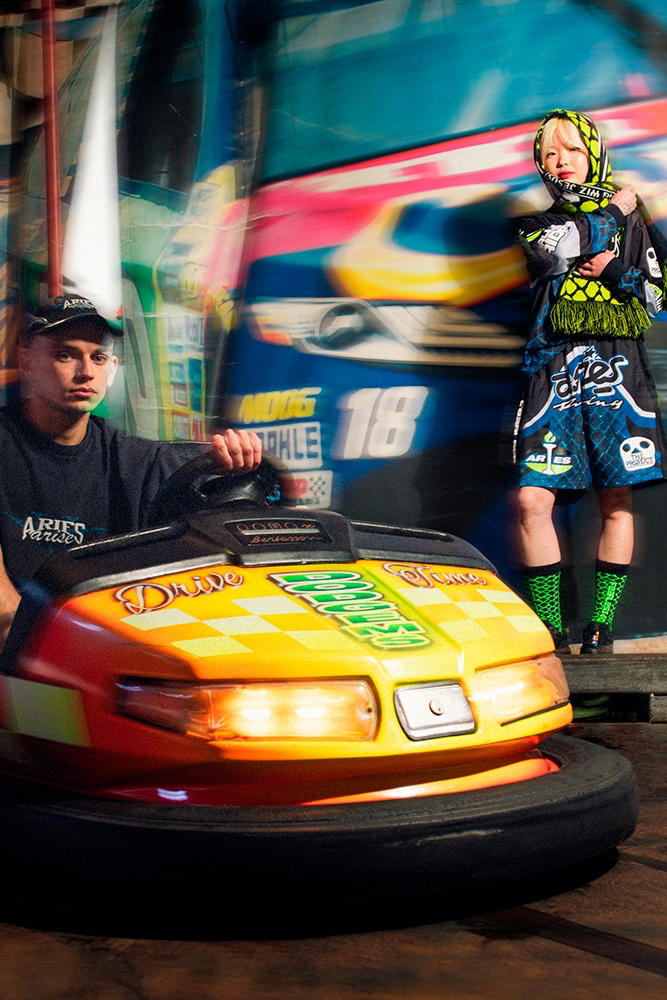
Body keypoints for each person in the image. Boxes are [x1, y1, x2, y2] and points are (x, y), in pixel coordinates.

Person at [0, 294, 262, 650]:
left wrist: (236, 464)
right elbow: (4, 610)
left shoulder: (138, 461)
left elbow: (218, 535)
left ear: (111, 369)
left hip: (110, 645)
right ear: (27, 362)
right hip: (23, 654)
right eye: (65, 355)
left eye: (98, 358)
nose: (86, 372)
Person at [514, 109, 667, 654]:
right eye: (550, 153)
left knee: (616, 499)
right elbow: (560, 249)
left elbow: (659, 298)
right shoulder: (536, 224)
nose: (562, 161)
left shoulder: (635, 221)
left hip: (618, 366)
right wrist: (614, 211)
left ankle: (600, 627)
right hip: (553, 367)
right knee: (532, 501)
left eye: (573, 150)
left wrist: (615, 271)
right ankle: (550, 629)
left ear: (593, 154)